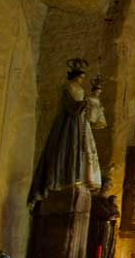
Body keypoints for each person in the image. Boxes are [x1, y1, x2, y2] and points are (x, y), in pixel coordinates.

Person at [28, 58, 108, 205]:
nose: (82, 80)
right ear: (75, 76)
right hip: (69, 124)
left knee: (81, 151)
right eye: (80, 77)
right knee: (68, 149)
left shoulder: (80, 90)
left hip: (80, 124)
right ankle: (65, 178)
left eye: (83, 78)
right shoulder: (68, 87)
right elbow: (70, 105)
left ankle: (78, 178)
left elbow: (87, 111)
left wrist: (93, 99)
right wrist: (83, 104)